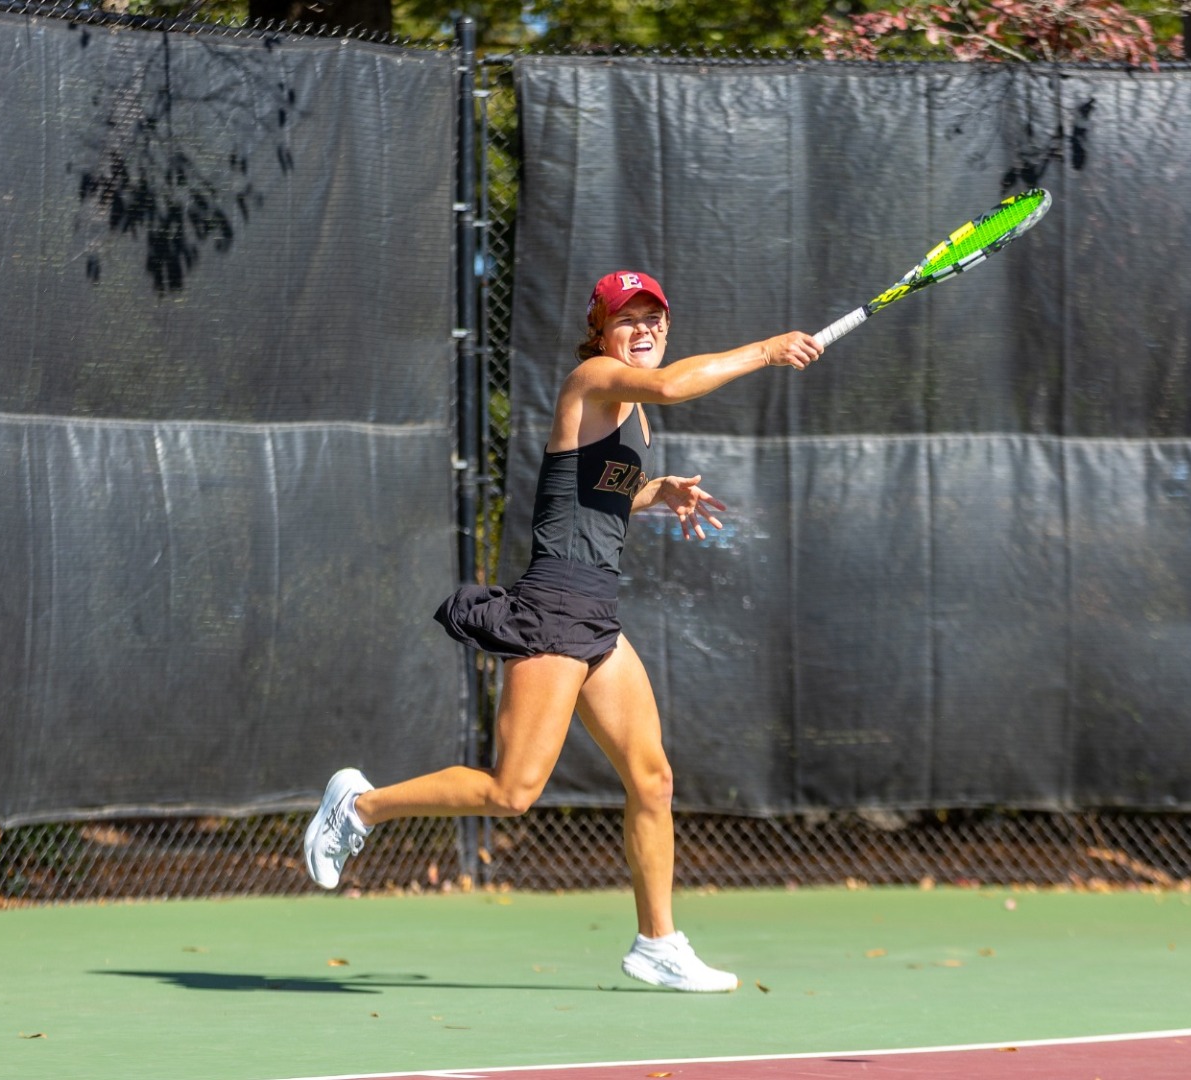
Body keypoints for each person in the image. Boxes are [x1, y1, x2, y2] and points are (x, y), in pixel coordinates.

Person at [304, 270, 821, 992]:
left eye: (653, 317)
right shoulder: (593, 379)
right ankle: (358, 806)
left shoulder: (630, 416)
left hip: (597, 611)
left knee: (653, 779)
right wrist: (766, 349)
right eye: (627, 319)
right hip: (553, 606)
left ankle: (658, 942)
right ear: (600, 332)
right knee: (511, 792)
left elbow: (590, 496)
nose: (643, 329)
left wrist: (654, 492)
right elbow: (673, 386)